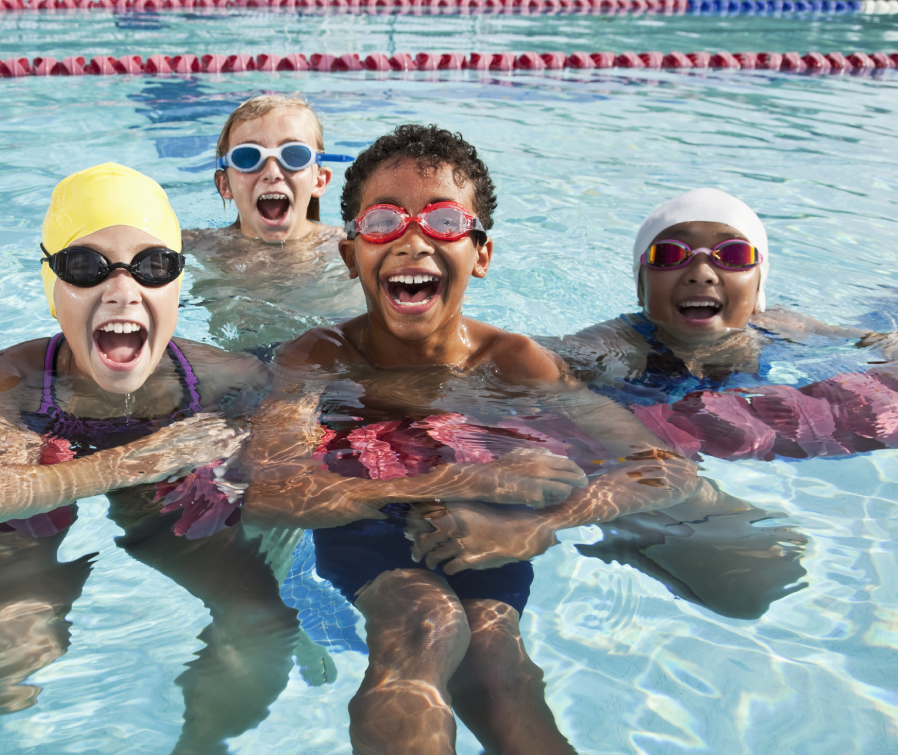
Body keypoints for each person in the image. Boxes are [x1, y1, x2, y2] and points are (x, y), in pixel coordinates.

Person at [242, 124, 703, 755]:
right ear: (352, 256)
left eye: (443, 221)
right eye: (383, 221)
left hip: (493, 529)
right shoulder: (319, 358)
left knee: (496, 663)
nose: (411, 240)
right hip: (363, 513)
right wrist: (457, 480)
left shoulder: (516, 362)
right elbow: (267, 491)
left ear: (481, 255)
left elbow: (668, 469)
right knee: (425, 623)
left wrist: (539, 526)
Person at [0, 163, 309, 754]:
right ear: (53, 285)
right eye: (87, 266)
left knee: (265, 630)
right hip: (38, 475)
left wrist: (269, 454)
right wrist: (128, 465)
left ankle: (199, 746)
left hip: (165, 487)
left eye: (151, 265)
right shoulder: (11, 378)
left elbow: (301, 437)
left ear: (174, 283)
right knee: (4, 660)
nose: (122, 290)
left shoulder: (225, 375)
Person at [549, 187, 896, 407]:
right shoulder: (614, 344)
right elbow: (533, 362)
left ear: (759, 285)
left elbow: (873, 340)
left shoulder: (780, 325)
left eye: (732, 255)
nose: (702, 272)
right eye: (670, 254)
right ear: (640, 286)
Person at [182, 94, 363, 353]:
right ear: (225, 185)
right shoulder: (193, 246)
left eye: (294, 155)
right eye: (247, 157)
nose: (272, 172)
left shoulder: (348, 246)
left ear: (319, 181)